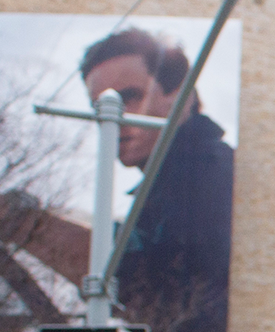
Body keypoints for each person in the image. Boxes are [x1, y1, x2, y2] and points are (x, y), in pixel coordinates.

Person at [79, 29, 234, 332]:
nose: (114, 118)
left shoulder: (213, 175)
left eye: (130, 97)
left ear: (180, 96)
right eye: (100, 107)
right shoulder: (164, 186)